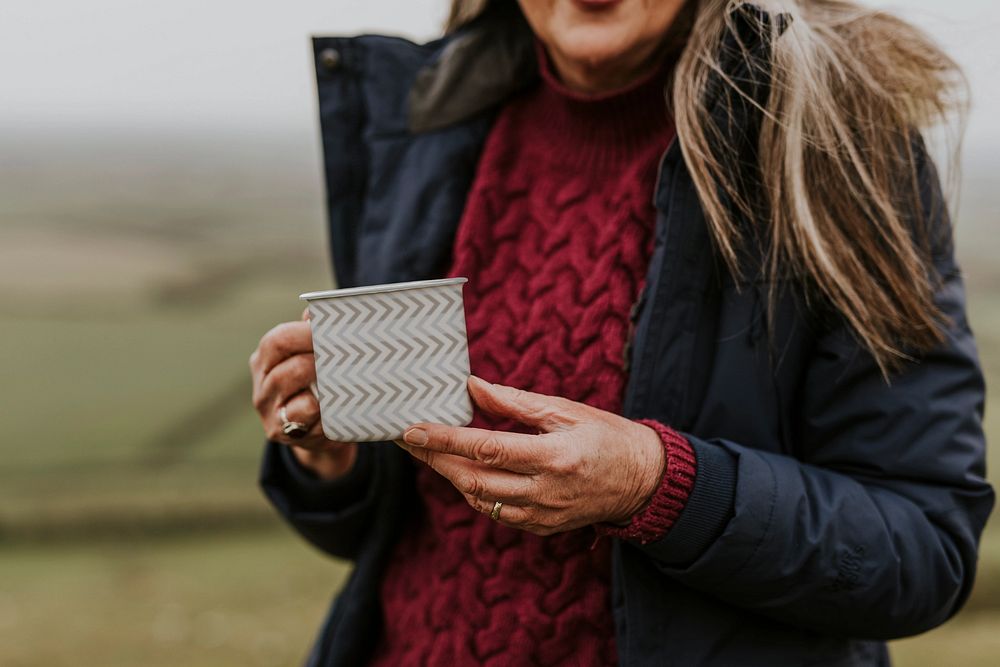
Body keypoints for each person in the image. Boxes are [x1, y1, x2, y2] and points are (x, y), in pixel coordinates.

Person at [248, 0, 994, 664]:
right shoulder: (431, 121)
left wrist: (656, 484)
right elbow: (391, 536)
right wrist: (334, 459)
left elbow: (923, 548)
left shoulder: (832, 145)